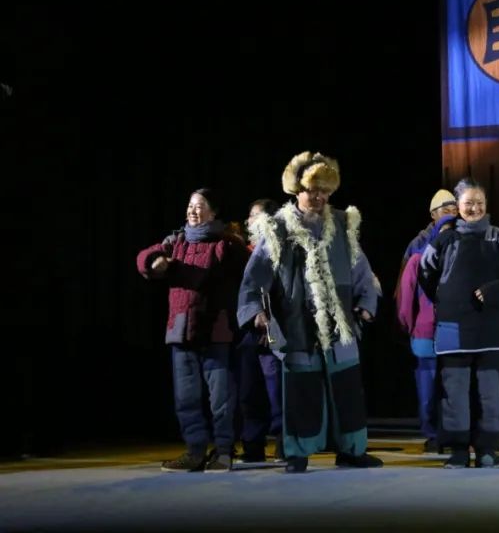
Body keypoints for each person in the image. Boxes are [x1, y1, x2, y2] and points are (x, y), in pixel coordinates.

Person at [237, 152, 383, 473]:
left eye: (325, 191)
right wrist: (256, 312)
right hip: (297, 324)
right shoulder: (277, 228)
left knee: (347, 389)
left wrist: (366, 303)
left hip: (340, 324)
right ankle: (297, 452)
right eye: (312, 190)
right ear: (297, 190)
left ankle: (352, 450)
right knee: (301, 390)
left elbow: (361, 269)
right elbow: (254, 278)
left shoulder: (342, 224)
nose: (319, 197)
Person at [136, 188, 249, 472]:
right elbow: (145, 256)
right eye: (189, 205)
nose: (192, 211)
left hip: (216, 331)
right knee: (186, 397)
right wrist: (154, 261)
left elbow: (251, 272)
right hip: (181, 330)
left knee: (221, 398)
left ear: (213, 212)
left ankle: (223, 451)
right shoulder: (177, 241)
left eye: (199, 206)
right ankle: (195, 451)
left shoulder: (227, 245)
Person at [419, 177, 499, 469]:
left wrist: (494, 292)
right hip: (453, 328)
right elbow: (426, 275)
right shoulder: (444, 239)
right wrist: (447, 300)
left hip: (492, 329)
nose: (474, 208)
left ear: (486, 204)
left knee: (490, 394)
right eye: (468, 203)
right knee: (455, 393)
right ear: (458, 206)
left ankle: (487, 449)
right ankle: (458, 450)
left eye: (479, 202)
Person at [397, 212, 457, 453]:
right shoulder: (417, 260)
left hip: (454, 332)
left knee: (453, 386)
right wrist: (410, 326)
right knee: (428, 387)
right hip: (425, 333)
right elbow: (405, 300)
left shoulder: (461, 261)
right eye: (444, 232)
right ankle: (432, 434)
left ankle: (452, 433)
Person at [234, 198, 284, 464]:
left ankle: (284, 443)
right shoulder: (244, 250)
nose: (249, 222)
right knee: (249, 392)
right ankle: (253, 446)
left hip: (273, 330)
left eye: (254, 216)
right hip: (248, 331)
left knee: (276, 392)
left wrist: (268, 317)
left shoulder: (279, 248)